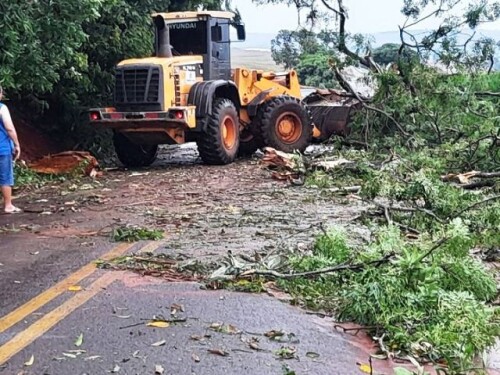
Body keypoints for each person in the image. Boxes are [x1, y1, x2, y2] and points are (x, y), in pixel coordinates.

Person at [0, 86, 21, 213]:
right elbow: (10, 128)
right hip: (2, 148)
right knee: (5, 176)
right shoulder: (2, 108)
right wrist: (17, 144)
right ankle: (8, 205)